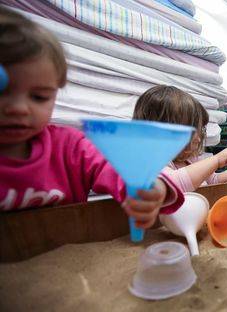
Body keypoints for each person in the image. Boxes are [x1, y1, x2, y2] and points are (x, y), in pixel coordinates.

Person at [0, 7, 184, 230]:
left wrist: (146, 186)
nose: (19, 108)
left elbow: (111, 165)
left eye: (39, 97)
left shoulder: (70, 146)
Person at [133, 85, 227, 192]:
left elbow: (214, 180)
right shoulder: (152, 162)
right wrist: (216, 160)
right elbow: (173, 184)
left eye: (200, 130)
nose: (198, 138)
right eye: (192, 130)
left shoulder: (191, 159)